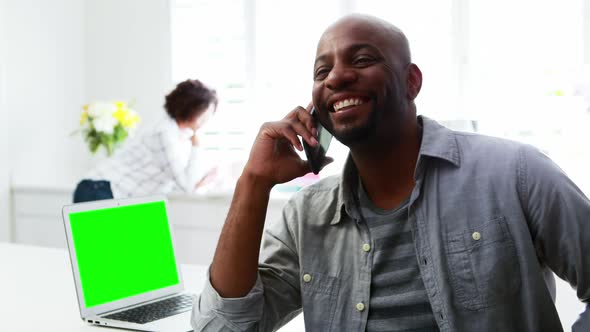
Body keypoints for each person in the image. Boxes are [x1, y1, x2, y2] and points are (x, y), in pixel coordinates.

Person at [192, 14, 590, 332]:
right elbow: (221, 327)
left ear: (411, 81)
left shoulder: (516, 173)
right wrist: (254, 182)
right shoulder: (306, 216)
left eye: (362, 60)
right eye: (321, 71)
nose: (335, 77)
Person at [73, 79, 218, 203]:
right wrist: (196, 144)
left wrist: (199, 182)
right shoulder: (165, 132)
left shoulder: (175, 135)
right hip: (98, 190)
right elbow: (187, 185)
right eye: (207, 113)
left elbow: (181, 184)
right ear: (193, 108)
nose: (208, 119)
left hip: (106, 192)